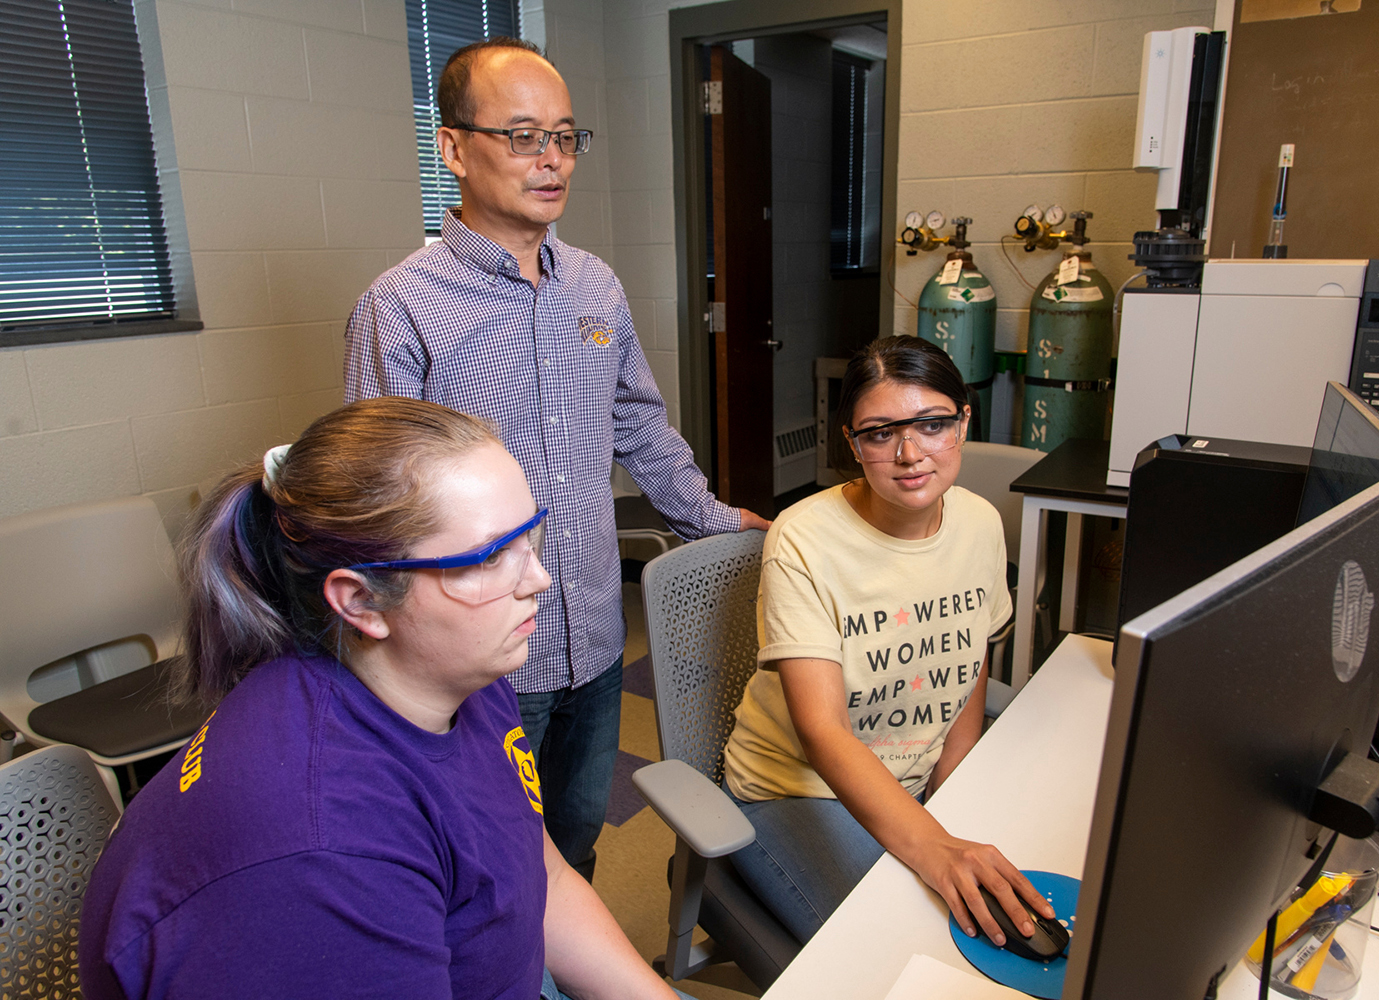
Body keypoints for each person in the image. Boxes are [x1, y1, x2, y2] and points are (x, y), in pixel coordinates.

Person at [79, 398, 684, 1000]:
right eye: (491, 556)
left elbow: (540, 874)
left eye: (530, 536)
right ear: (361, 601)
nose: (538, 579)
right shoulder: (317, 851)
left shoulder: (462, 675)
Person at [344, 36, 768, 883]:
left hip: (596, 637)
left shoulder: (595, 286)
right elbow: (376, 506)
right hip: (482, 662)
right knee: (482, 867)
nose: (553, 160)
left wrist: (720, 524)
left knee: (574, 840)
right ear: (454, 147)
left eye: (566, 137)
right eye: (524, 136)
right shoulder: (400, 307)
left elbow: (639, 426)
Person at [719, 336, 1054, 947]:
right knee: (904, 943)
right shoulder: (803, 540)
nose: (910, 453)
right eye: (880, 434)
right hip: (797, 789)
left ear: (963, 422)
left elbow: (968, 667)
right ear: (852, 444)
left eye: (932, 424)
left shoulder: (980, 523)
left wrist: (952, 798)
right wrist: (936, 846)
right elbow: (824, 733)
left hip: (914, 780)